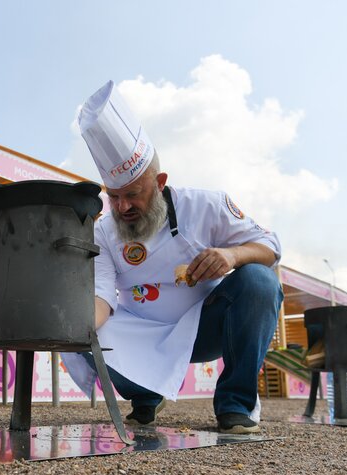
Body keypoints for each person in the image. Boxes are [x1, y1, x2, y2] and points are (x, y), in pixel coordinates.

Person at [75, 81, 283, 434]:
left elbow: (270, 246)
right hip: (144, 334)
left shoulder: (206, 205)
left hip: (207, 327)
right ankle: (145, 396)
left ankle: (235, 403)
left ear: (159, 183)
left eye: (133, 194)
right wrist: (73, 327)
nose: (123, 207)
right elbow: (102, 296)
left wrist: (232, 255)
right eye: (114, 197)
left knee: (260, 279)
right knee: (84, 332)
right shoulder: (103, 230)